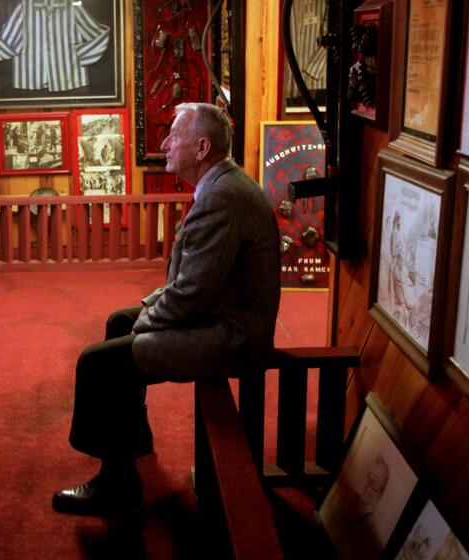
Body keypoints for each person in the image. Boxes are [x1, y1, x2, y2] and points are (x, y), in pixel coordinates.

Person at [52, 103, 281, 515]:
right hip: (220, 315)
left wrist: (146, 323)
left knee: (98, 364)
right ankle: (132, 440)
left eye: (173, 136)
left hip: (232, 336)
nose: (164, 144)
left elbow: (190, 295)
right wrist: (144, 312)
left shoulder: (222, 198)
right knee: (118, 321)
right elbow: (191, 285)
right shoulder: (223, 184)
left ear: (202, 147)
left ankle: (117, 483)